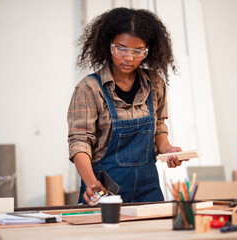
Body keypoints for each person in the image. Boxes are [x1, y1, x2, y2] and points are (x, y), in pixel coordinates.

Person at [68, 7, 187, 205]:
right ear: (109, 45)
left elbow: (158, 127)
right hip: (104, 190)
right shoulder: (89, 89)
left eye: (137, 51)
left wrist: (168, 149)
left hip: (148, 190)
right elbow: (79, 142)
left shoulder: (154, 84)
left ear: (148, 51)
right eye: (121, 48)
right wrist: (92, 184)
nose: (129, 57)